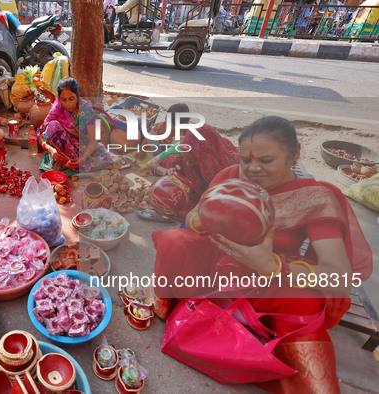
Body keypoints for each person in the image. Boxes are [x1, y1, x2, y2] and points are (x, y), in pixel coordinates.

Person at [152, 116, 372, 392]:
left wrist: (274, 266)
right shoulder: (230, 176)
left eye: (266, 161)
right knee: (175, 240)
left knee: (305, 302)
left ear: (294, 155)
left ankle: (279, 364)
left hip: (270, 281)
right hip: (216, 269)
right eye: (246, 160)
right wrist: (200, 220)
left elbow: (339, 278)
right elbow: (197, 214)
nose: (253, 169)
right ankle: (176, 312)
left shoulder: (315, 198)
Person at [138, 119, 238, 222]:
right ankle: (175, 206)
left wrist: (186, 218)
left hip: (215, 199)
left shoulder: (230, 168)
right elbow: (151, 163)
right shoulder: (185, 146)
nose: (188, 164)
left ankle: (187, 212)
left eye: (193, 161)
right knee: (174, 159)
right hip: (196, 191)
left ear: (207, 156)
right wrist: (164, 171)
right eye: (187, 159)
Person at [37, 78, 124, 173]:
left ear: (78, 95)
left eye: (71, 99)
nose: (67, 103)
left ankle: (73, 162)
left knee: (110, 159)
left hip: (83, 146)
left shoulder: (86, 109)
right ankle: (65, 160)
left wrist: (83, 159)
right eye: (63, 99)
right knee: (53, 125)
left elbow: (93, 140)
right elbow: (41, 135)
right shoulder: (57, 108)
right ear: (59, 97)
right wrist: (51, 150)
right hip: (64, 147)